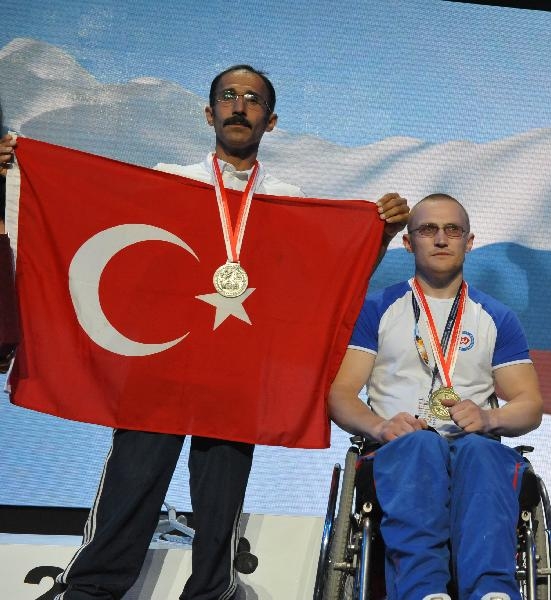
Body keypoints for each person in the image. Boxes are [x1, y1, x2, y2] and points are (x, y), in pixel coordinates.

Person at [0, 64, 409, 600]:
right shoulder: (169, 177)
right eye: (229, 96)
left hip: (236, 371)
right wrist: (18, 174)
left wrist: (378, 235)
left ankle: (212, 589)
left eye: (253, 99)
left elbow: (326, 282)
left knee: (221, 497)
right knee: (132, 481)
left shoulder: (288, 197)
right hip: (160, 362)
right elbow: (88, 223)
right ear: (208, 111)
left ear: (272, 120)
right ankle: (91, 588)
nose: (240, 106)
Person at [327, 193, 544, 600]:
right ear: (408, 243)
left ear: (469, 241)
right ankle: (422, 592)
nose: (441, 239)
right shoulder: (378, 308)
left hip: (474, 449)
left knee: (482, 452)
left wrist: (491, 418)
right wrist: (380, 425)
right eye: (428, 230)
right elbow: (340, 394)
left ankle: (492, 594)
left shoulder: (495, 316)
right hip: (399, 450)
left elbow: (529, 404)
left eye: (452, 230)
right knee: (421, 446)